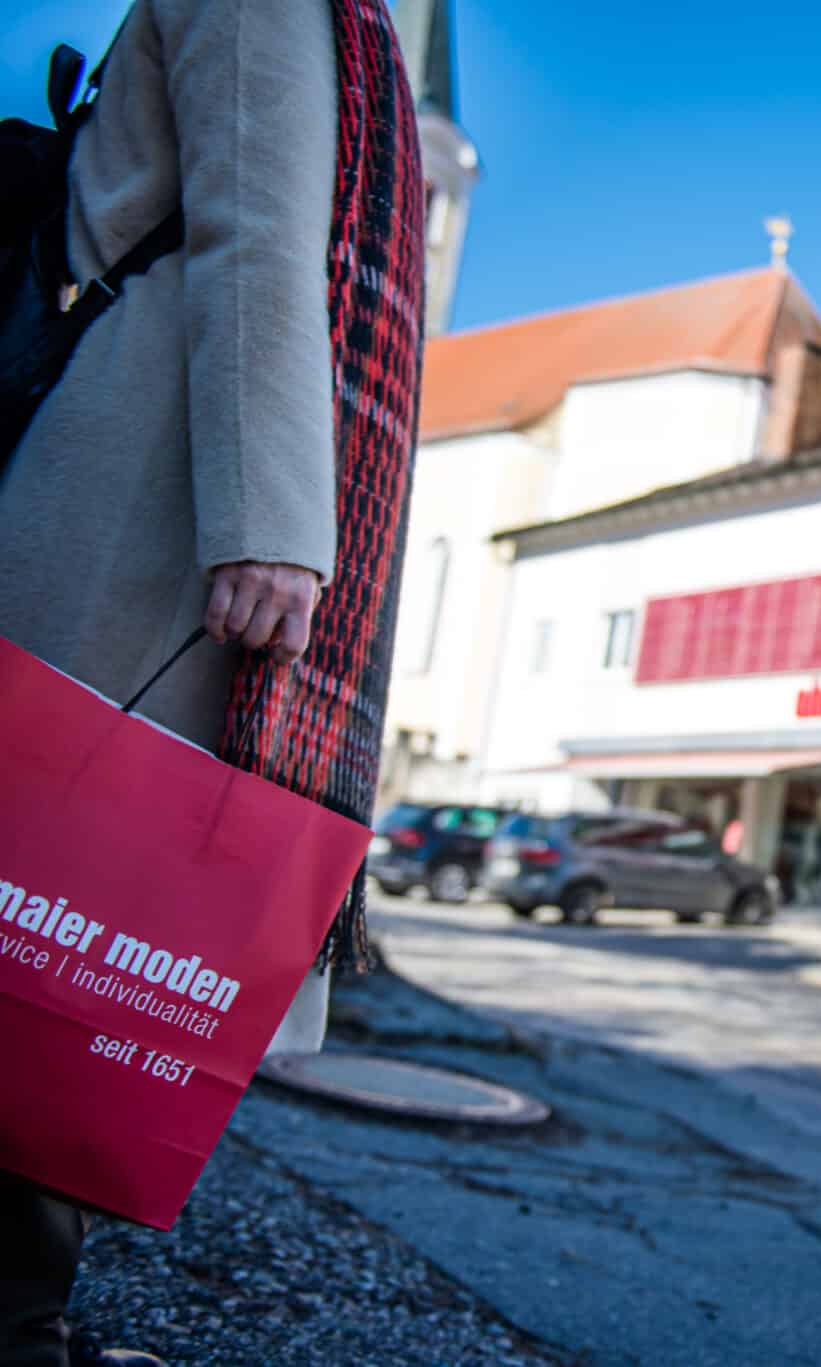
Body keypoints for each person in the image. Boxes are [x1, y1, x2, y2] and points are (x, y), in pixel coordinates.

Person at [0, 3, 425, 1364]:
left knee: (67, 922)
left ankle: (23, 1311)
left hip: (154, 452)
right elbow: (258, 236)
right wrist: (274, 522)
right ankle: (13, 1323)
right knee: (75, 923)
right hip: (158, 483)